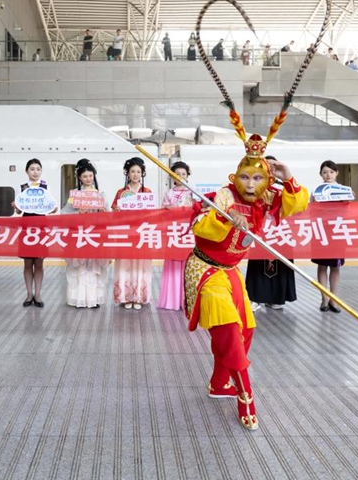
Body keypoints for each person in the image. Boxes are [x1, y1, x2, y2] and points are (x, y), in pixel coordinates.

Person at [184, 134, 309, 430]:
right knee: (229, 332)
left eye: (257, 178)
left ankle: (218, 383)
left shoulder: (267, 197)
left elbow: (297, 204)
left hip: (231, 271)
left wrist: (287, 176)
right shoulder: (224, 196)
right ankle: (246, 398)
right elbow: (200, 229)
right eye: (244, 177)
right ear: (235, 176)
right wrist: (226, 219)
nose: (250, 184)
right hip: (206, 270)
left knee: (246, 331)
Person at [245, 157, 297, 311]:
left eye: (273, 166)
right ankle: (255, 298)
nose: (270, 169)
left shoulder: (285, 187)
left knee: (280, 265)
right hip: (260, 232)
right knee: (257, 265)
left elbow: (296, 206)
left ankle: (276, 298)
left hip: (280, 232)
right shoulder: (251, 187)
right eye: (266, 166)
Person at [62, 159, 110, 308]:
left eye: (90, 176)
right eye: (85, 176)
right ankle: (79, 299)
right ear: (80, 178)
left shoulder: (100, 194)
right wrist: (77, 213)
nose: (88, 179)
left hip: (95, 234)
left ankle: (93, 299)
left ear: (94, 176)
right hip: (80, 235)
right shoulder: (75, 195)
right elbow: (64, 213)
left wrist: (104, 212)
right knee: (80, 267)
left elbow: (109, 215)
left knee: (94, 266)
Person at [112, 157, 153, 310]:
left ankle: (139, 297)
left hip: (141, 233)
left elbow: (151, 213)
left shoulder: (147, 192)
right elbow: (114, 211)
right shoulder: (121, 192)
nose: (135, 174)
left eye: (138, 172)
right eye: (132, 171)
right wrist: (117, 210)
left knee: (140, 264)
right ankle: (125, 296)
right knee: (125, 263)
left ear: (142, 174)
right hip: (125, 232)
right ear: (127, 173)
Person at [13, 159, 53, 308]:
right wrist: (16, 206)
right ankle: (29, 294)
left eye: (38, 169)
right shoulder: (21, 187)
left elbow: (50, 207)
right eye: (32, 169)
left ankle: (38, 294)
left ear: (41, 171)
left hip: (41, 225)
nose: (35, 172)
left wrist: (54, 209)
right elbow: (18, 211)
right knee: (27, 262)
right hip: (27, 225)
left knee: (39, 263)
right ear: (27, 171)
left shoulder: (46, 186)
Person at [157, 161, 194, 310]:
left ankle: (187, 300)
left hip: (188, 235)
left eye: (183, 174)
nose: (180, 176)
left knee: (188, 266)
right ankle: (172, 300)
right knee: (173, 265)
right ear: (171, 176)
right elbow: (162, 215)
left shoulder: (193, 192)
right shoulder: (168, 194)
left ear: (187, 175)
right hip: (173, 234)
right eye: (177, 174)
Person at [311, 160, 346, 313]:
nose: (328, 175)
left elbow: (348, 211)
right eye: (325, 172)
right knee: (322, 265)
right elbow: (311, 210)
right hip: (321, 232)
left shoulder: (344, 190)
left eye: (331, 172)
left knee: (336, 266)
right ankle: (324, 299)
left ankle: (334, 299)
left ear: (336, 173)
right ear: (320, 174)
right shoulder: (316, 191)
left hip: (337, 232)